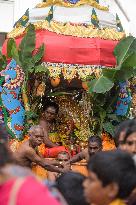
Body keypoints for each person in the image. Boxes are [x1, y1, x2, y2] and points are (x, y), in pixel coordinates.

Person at [0, 124, 62, 205]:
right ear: (30, 135)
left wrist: (60, 162)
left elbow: (43, 160)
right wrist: (62, 169)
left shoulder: (33, 146)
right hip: (20, 181)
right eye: (37, 136)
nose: (39, 139)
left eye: (41, 137)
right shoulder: (28, 149)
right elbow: (45, 165)